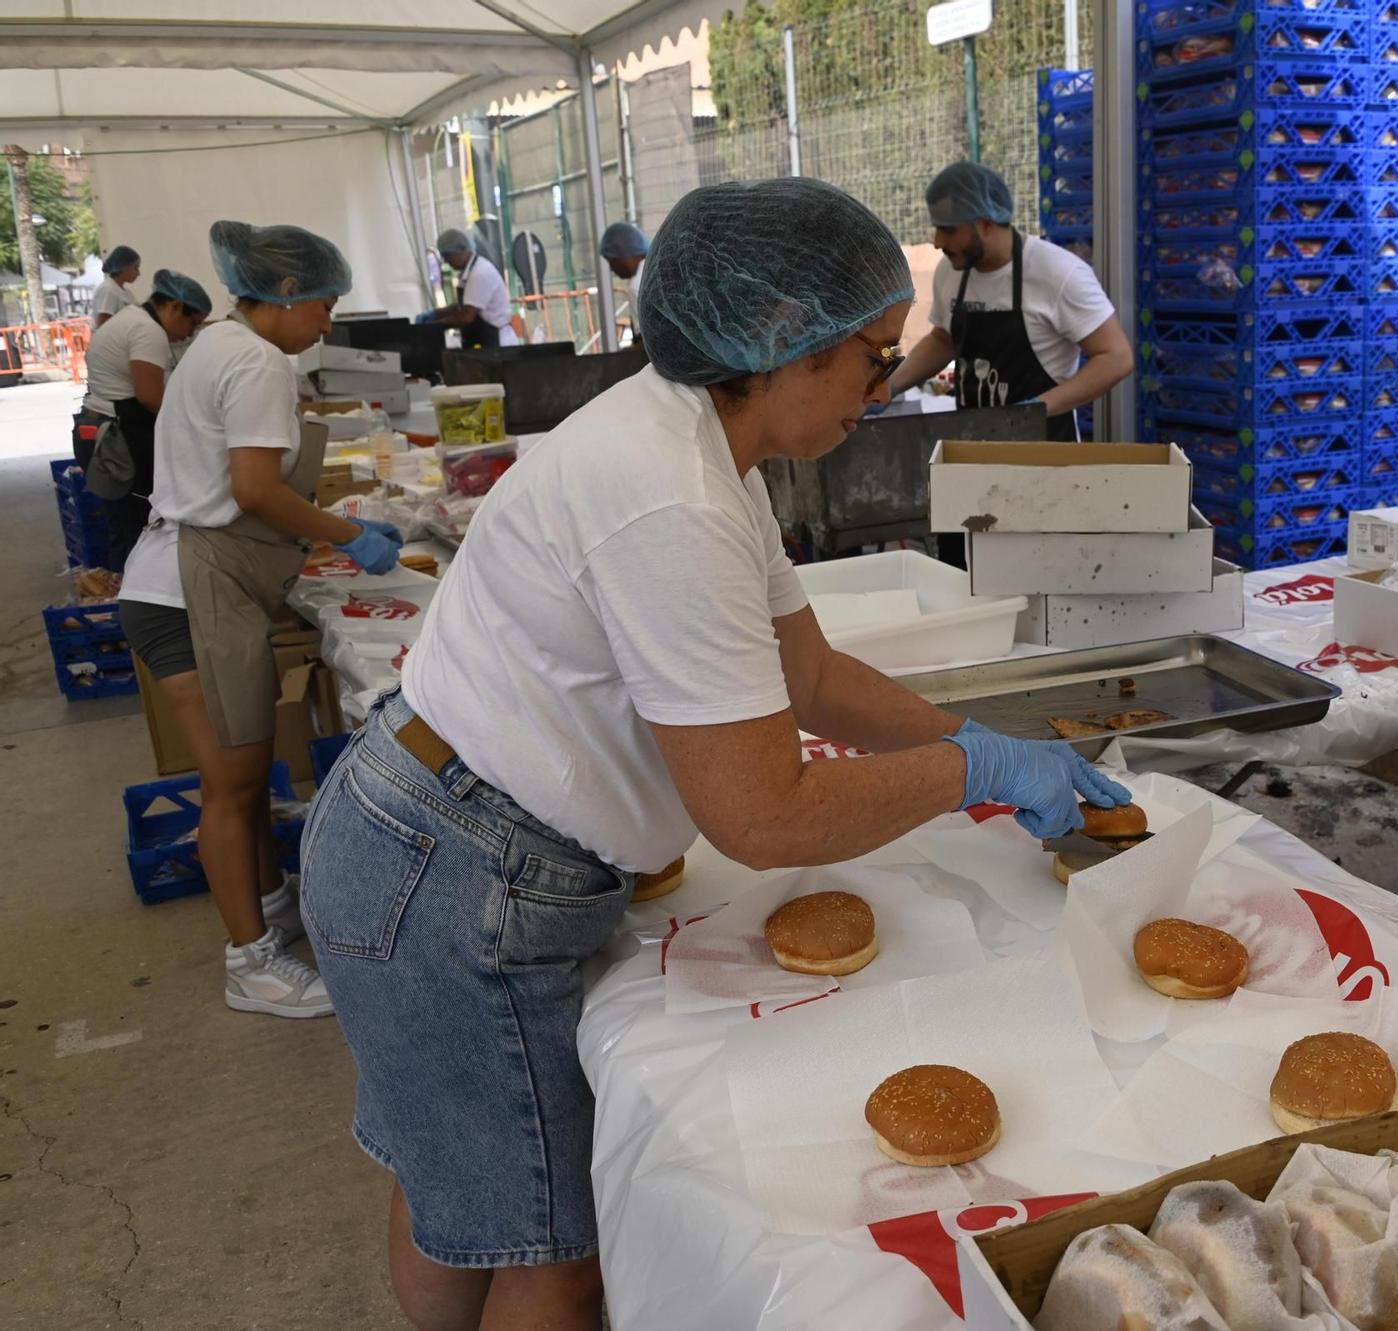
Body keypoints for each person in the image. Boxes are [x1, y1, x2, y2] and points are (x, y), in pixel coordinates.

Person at [300, 177, 1128, 1331]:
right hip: (451, 871)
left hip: (434, 836)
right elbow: (763, 815)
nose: (881, 385)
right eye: (869, 356)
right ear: (781, 344)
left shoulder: (697, 445)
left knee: (467, 1196)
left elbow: (811, 675)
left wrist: (970, 733)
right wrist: (970, 776)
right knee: (550, 1249)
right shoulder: (669, 493)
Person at [119, 220, 404, 1022]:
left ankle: (267, 902)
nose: (328, 320)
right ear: (284, 293)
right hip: (187, 592)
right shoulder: (256, 361)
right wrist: (350, 535)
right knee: (233, 786)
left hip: (181, 575)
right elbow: (252, 489)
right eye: (323, 303)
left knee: (240, 782)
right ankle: (252, 965)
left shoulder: (214, 345)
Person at [885, 160, 1133, 440]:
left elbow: (1116, 357)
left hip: (1044, 448)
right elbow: (944, 339)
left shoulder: (1058, 273)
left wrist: (1035, 410)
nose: (937, 242)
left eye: (949, 230)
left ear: (987, 224)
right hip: (974, 442)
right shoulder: (951, 271)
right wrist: (890, 386)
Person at [78, 269, 212, 569]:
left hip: (97, 425)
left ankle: (125, 596)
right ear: (175, 307)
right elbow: (150, 397)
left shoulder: (130, 318)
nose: (190, 333)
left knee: (123, 524)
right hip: (118, 437)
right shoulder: (148, 331)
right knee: (135, 527)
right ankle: (135, 603)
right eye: (192, 323)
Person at [432, 228, 520, 348]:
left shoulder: (479, 273)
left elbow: (466, 316)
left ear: (461, 250)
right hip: (486, 339)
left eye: (448, 255)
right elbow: (462, 306)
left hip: (498, 341)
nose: (446, 261)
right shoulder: (468, 272)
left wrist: (435, 326)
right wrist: (436, 314)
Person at [598, 220, 649, 348]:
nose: (611, 268)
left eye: (612, 261)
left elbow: (648, 344)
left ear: (624, 254)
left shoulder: (637, 286)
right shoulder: (655, 268)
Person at [92, 244, 143, 326]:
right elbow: (103, 325)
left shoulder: (127, 293)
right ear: (123, 267)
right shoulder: (108, 290)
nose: (138, 273)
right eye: (135, 268)